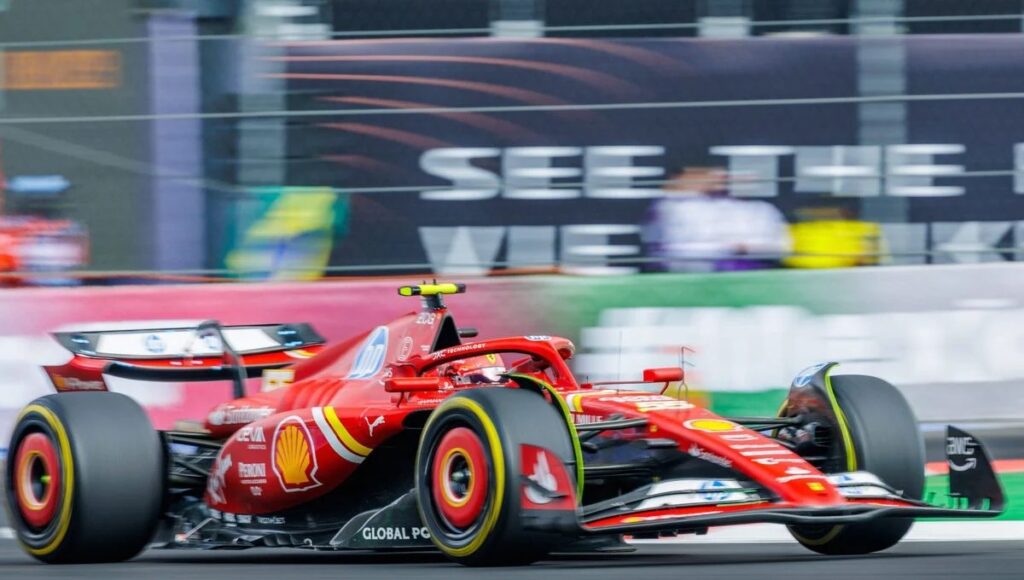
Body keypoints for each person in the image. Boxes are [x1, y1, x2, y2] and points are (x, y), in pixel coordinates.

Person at [644, 167, 791, 272]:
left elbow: (781, 247)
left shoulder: (763, 209)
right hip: (697, 268)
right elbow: (684, 248)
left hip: (753, 268)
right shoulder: (678, 206)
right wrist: (726, 248)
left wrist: (746, 248)